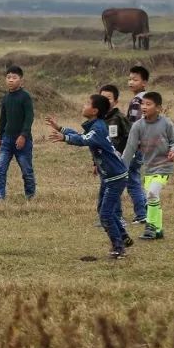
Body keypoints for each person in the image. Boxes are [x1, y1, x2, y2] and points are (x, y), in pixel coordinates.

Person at [46, 94, 130, 258]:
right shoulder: (95, 125)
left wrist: (65, 138)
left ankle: (119, 248)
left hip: (115, 177)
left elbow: (83, 139)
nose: (83, 105)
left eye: (86, 103)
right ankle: (123, 236)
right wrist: (60, 129)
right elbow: (81, 135)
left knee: (105, 214)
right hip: (109, 176)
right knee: (103, 209)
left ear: (95, 110)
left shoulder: (98, 128)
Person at [120, 91, 174, 240]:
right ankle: (159, 230)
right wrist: (121, 167)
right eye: (143, 104)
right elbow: (130, 148)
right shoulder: (137, 126)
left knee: (152, 194)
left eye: (148, 104)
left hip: (164, 166)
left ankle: (151, 227)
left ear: (158, 108)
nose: (144, 107)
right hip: (148, 168)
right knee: (153, 198)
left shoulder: (166, 123)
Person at [0, 65, 35, 201]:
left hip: (23, 141)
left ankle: (30, 195)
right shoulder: (6, 98)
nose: (11, 80)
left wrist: (23, 135)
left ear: (21, 80)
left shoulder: (25, 97)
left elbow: (29, 118)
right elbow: (3, 118)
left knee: (26, 170)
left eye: (14, 77)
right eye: (8, 77)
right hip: (7, 140)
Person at [99, 84, 131, 243]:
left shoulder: (119, 118)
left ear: (116, 101)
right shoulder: (99, 121)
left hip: (117, 165)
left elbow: (130, 138)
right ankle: (119, 230)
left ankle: (117, 223)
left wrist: (124, 155)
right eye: (102, 97)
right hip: (104, 165)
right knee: (105, 197)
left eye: (108, 98)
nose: (105, 101)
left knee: (111, 194)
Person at [124, 66, 149, 224]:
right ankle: (145, 210)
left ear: (144, 82)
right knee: (135, 178)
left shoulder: (137, 101)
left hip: (136, 146)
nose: (131, 82)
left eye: (135, 79)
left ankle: (141, 214)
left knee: (132, 180)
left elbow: (133, 126)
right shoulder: (148, 99)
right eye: (130, 79)